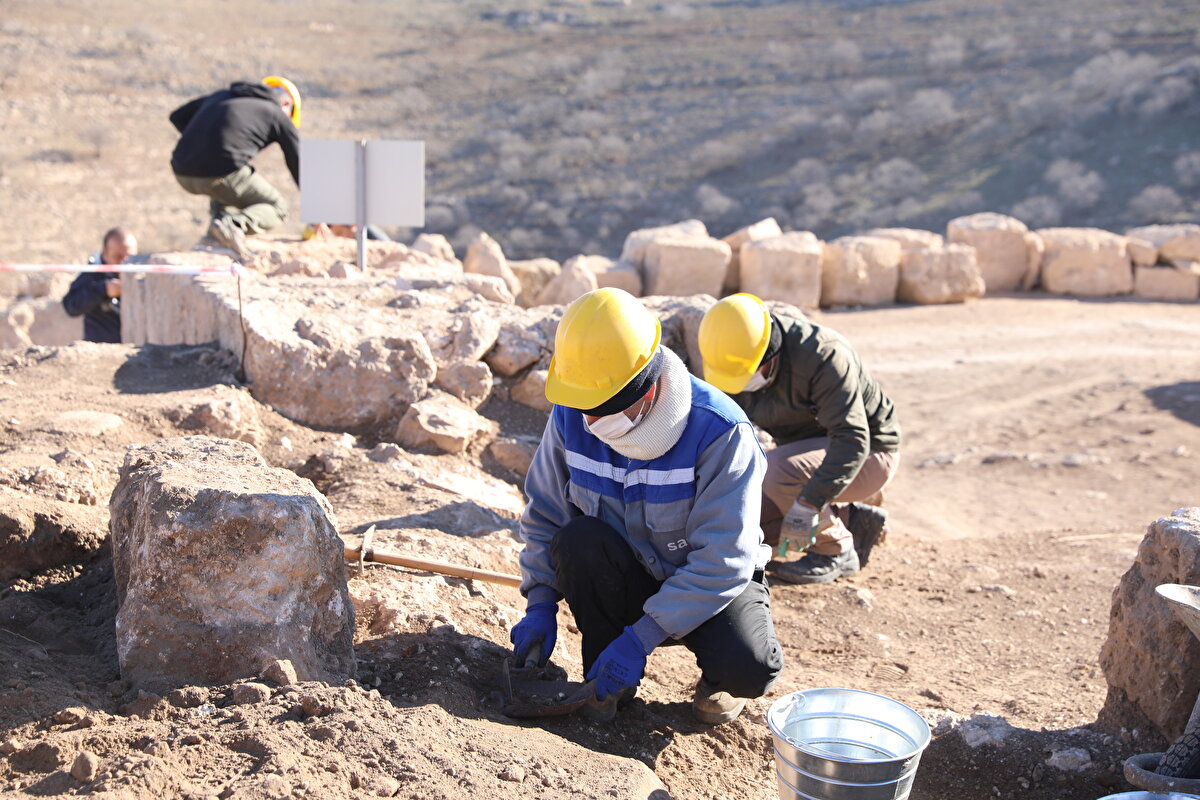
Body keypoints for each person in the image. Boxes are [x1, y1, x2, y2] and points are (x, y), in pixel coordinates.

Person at [510, 288, 783, 724]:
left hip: (705, 587)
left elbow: (722, 561)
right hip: (625, 578)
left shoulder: (720, 433)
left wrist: (641, 638)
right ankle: (608, 684)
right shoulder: (570, 414)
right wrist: (539, 603)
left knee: (750, 667)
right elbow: (544, 514)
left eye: (602, 408)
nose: (591, 423)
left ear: (645, 385)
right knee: (578, 540)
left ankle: (718, 682)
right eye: (585, 408)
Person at [698, 293, 901, 585]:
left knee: (776, 470)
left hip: (869, 454)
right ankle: (851, 520)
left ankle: (837, 549)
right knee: (746, 524)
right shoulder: (734, 359)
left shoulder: (823, 355)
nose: (740, 387)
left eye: (746, 375)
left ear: (770, 354)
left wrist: (808, 505)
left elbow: (852, 440)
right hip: (809, 459)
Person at [169, 76, 301, 260]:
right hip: (218, 173)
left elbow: (177, 116)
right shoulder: (277, 113)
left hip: (181, 171)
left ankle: (215, 235)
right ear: (287, 103)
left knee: (229, 187)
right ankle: (232, 226)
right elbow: (298, 163)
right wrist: (319, 214)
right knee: (278, 207)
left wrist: (203, 142)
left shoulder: (223, 95)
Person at [62, 228, 137, 344]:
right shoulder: (92, 274)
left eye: (129, 256)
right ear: (105, 254)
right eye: (118, 257)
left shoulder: (144, 272)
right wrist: (103, 289)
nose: (124, 262)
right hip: (102, 352)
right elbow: (71, 306)